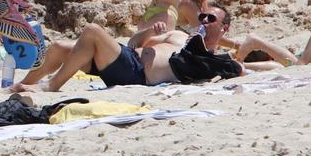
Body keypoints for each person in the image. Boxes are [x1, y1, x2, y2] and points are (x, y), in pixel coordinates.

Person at [11, 20, 189, 93]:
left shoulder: (197, 54)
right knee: (59, 47)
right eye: (203, 18)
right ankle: (24, 84)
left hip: (137, 73)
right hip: (127, 58)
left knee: (92, 31)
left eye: (210, 18)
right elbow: (133, 43)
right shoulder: (177, 35)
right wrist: (150, 31)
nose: (205, 21)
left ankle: (52, 85)